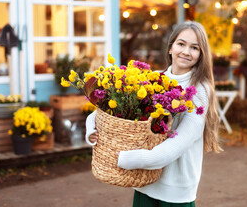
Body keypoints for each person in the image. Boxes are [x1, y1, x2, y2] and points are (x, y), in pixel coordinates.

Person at [85, 21, 222, 206]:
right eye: (181, 44)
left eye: (195, 48)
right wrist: (90, 130)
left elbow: (177, 145)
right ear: (171, 47)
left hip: (175, 192)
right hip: (145, 183)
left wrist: (125, 158)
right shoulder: (154, 79)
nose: (186, 52)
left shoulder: (199, 90)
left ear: (201, 55)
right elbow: (111, 114)